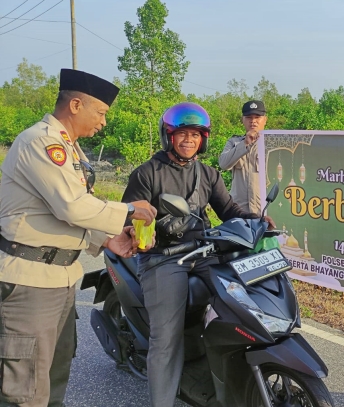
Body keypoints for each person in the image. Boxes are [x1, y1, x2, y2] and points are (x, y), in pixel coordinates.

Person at [0, 69, 156, 407]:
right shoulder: (41, 142)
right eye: (100, 113)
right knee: (25, 393)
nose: (103, 122)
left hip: (58, 278)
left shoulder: (72, 150)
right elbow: (72, 206)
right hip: (30, 282)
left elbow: (77, 209)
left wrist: (107, 239)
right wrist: (129, 210)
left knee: (53, 382)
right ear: (75, 104)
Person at [121, 101, 275, 407]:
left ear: (203, 139)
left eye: (195, 134)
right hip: (164, 258)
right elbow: (129, 215)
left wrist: (257, 220)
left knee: (243, 304)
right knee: (165, 339)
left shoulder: (207, 174)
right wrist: (137, 231)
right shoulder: (148, 173)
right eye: (182, 134)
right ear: (169, 136)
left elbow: (228, 210)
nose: (189, 140)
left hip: (204, 253)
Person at [218, 100, 268, 213]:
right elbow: (223, 164)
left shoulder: (272, 145)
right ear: (243, 120)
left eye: (257, 117)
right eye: (249, 117)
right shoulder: (234, 142)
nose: (253, 121)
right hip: (240, 211)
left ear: (265, 120)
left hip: (265, 211)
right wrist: (244, 144)